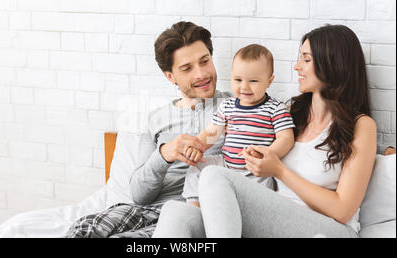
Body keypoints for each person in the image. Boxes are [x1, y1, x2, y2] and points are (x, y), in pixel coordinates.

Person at [153, 24, 377, 238]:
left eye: (306, 59)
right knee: (175, 212)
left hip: (329, 229)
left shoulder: (362, 125)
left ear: (333, 64)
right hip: (273, 218)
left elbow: (343, 210)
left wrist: (279, 171)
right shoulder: (293, 112)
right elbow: (240, 124)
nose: (296, 66)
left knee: (215, 175)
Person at [65, 21, 231, 238]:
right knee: (84, 228)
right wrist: (164, 154)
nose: (201, 74)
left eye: (205, 61)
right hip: (141, 210)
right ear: (170, 76)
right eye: (187, 68)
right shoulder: (156, 120)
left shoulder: (235, 108)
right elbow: (139, 195)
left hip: (188, 213)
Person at [182, 44, 295, 207]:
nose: (244, 87)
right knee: (198, 166)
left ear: (269, 81)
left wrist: (267, 154)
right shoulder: (227, 105)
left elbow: (286, 138)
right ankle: (194, 206)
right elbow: (212, 132)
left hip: (256, 171)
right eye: (238, 79)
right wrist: (197, 146)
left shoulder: (275, 108)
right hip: (226, 164)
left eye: (253, 81)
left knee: (262, 197)